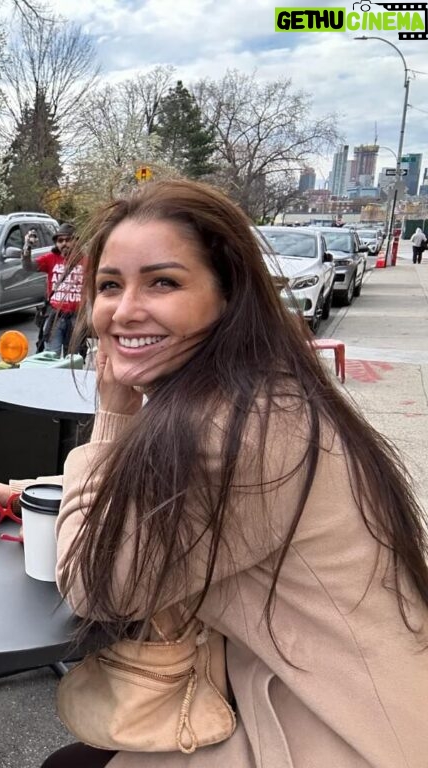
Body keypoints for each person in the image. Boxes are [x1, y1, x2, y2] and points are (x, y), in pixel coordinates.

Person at [45, 179, 428, 767]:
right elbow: (163, 498)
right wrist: (26, 492)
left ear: (227, 295)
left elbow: (99, 586)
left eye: (163, 282)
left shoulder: (232, 430)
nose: (123, 311)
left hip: (337, 735)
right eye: (109, 286)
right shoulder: (263, 392)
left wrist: (113, 413)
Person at [22, 222, 84, 356]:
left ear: (76, 241)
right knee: (51, 357)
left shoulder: (87, 261)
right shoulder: (50, 259)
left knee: (74, 360)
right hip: (54, 318)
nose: (64, 244)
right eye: (60, 240)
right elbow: (28, 267)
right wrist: (27, 248)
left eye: (68, 240)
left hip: (76, 319)